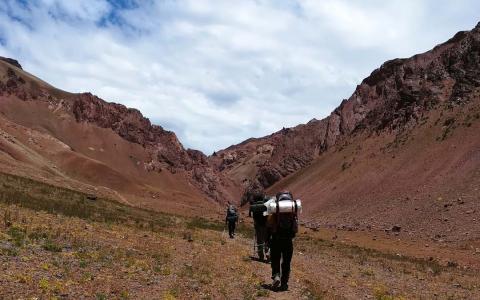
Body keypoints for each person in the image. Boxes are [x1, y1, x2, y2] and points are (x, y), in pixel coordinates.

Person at [267, 191, 298, 291]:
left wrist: (267, 240)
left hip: (276, 240)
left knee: (275, 259)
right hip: (288, 241)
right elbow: (295, 229)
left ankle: (276, 276)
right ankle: (284, 283)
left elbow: (269, 226)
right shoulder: (292, 211)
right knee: (286, 262)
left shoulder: (275, 211)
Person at [249, 193, 269, 261]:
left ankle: (261, 255)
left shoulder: (254, 206)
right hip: (266, 225)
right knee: (267, 239)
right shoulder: (266, 205)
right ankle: (267, 253)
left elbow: (253, 216)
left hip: (258, 225)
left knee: (259, 241)